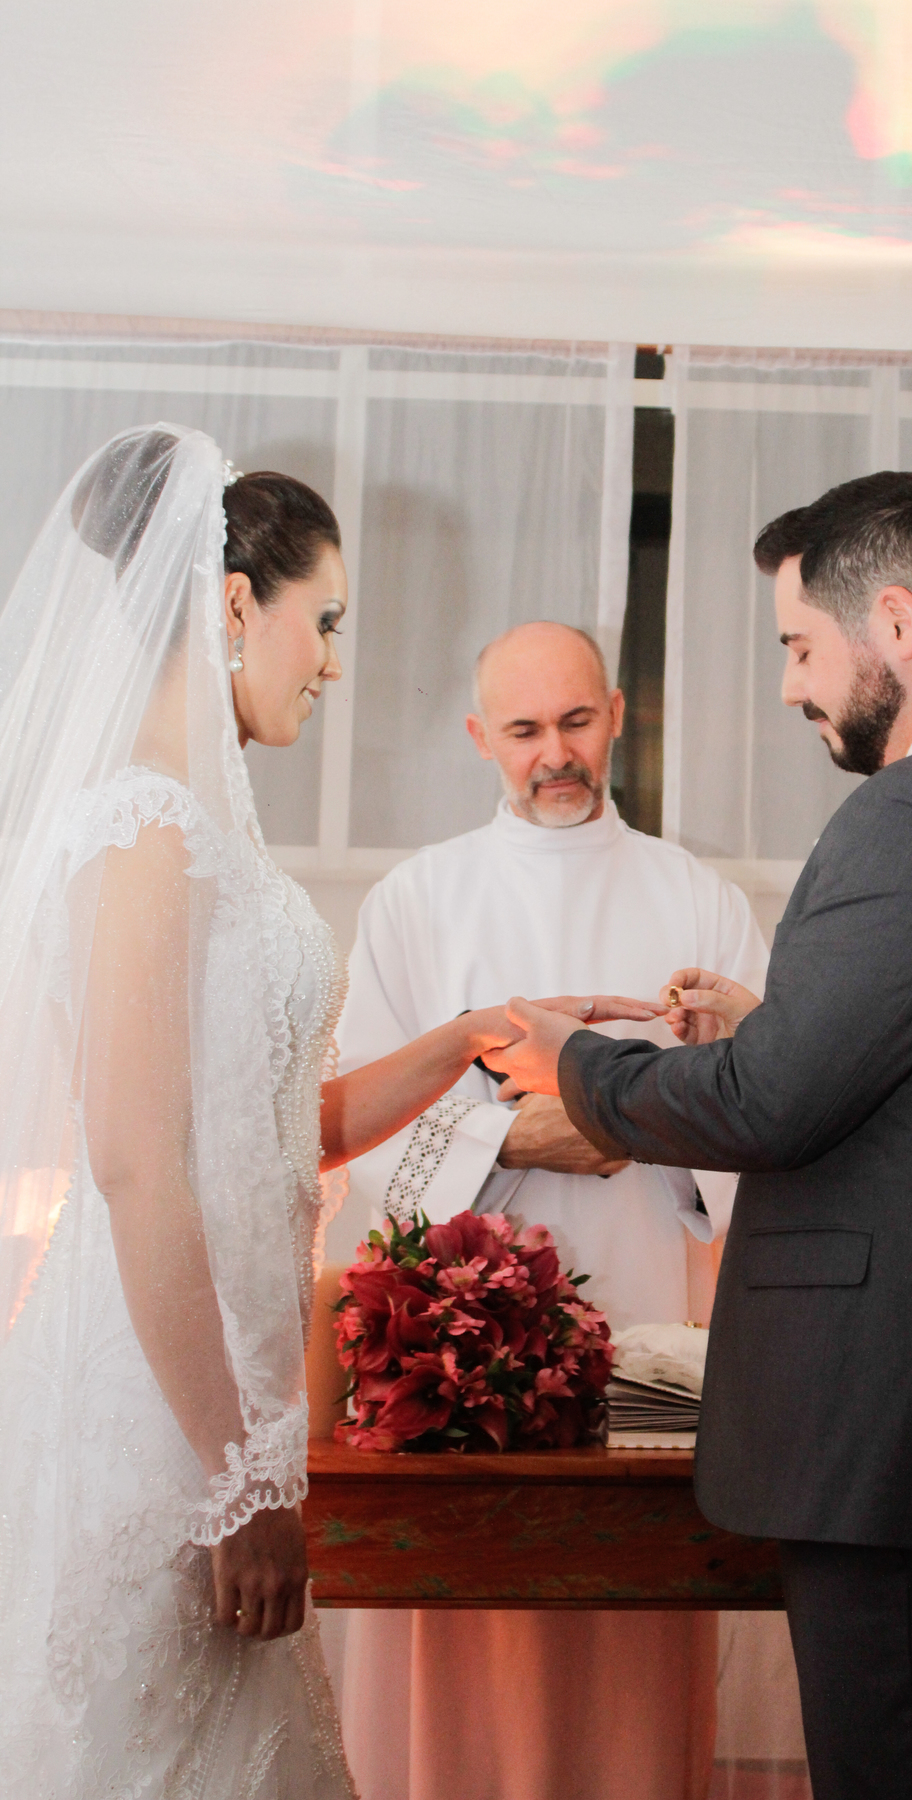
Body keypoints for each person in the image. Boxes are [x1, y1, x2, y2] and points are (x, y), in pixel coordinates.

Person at [0, 427, 638, 1799]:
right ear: (237, 603)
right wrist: (238, 1484)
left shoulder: (202, 826)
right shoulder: (145, 829)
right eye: (326, 623)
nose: (334, 665)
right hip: (161, 1412)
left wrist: (472, 1035)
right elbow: (137, 1166)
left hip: (224, 1395)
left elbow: (278, 1125)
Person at [485, 472, 912, 1800]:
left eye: (799, 646)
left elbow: (766, 1107)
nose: (791, 686)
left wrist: (572, 1059)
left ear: (894, 622)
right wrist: (769, 1027)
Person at [335, 619, 770, 1800]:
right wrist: (513, 1137)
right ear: (480, 736)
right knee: (464, 1654)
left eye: (577, 722)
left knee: (621, 1656)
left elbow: (768, 1107)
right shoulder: (417, 900)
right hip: (452, 1345)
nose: (555, 755)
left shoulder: (698, 899)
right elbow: (356, 1129)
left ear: (617, 716)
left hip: (638, 1321)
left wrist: (643, 1125)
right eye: (524, 730)